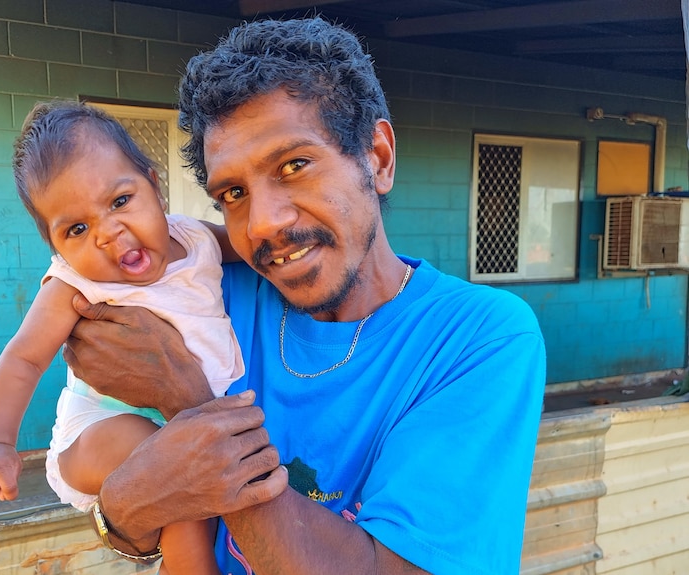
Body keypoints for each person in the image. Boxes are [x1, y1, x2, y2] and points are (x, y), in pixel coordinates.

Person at [64, 17, 547, 575]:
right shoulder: (211, 301)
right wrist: (123, 513)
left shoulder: (476, 337)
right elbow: (130, 517)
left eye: (294, 166)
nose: (263, 223)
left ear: (378, 159)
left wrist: (189, 405)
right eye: (234, 193)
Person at [0, 100, 244, 575]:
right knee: (175, 474)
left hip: (185, 419)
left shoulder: (197, 239)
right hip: (101, 430)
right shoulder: (74, 285)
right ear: (58, 248)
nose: (109, 233)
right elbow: (22, 361)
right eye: (76, 228)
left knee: (194, 466)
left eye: (119, 202)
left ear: (155, 187)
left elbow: (253, 244)